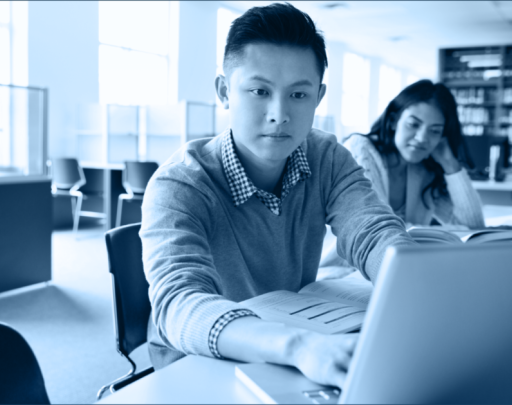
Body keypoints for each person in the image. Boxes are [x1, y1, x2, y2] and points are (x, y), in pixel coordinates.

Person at [139, 3, 415, 389]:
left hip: (296, 334)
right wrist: (298, 346)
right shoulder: (181, 184)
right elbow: (180, 305)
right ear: (224, 92)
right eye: (259, 91)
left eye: (298, 95)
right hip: (197, 357)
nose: (279, 113)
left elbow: (371, 230)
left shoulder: (327, 157)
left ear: (318, 97)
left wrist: (415, 287)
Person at [343, 80, 485, 229]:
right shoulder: (359, 150)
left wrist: (450, 164)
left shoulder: (425, 170)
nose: (422, 138)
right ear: (393, 121)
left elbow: (474, 227)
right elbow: (376, 230)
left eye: (435, 131)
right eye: (413, 125)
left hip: (407, 252)